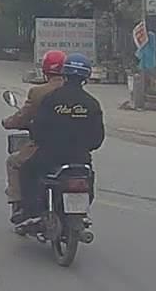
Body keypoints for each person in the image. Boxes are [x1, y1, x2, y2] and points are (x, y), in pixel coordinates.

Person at [18, 52, 105, 222]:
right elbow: (97, 138)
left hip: (51, 156)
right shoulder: (91, 103)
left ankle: (30, 212)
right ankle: (81, 212)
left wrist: (41, 139)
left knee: (27, 170)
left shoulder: (52, 99)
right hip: (79, 158)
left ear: (65, 73)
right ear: (86, 77)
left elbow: (38, 129)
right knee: (87, 178)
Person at [2, 50, 68, 223]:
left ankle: (22, 207)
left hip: (44, 147)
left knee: (14, 162)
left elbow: (23, 116)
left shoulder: (38, 92)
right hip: (74, 150)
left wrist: (7, 122)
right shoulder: (77, 93)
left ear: (45, 69)